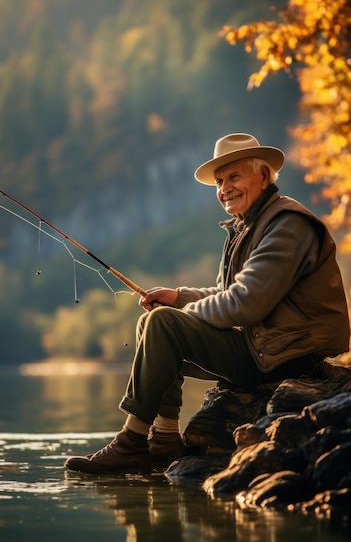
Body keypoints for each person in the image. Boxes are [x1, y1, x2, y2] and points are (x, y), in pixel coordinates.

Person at [64, 133, 350, 475]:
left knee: (163, 325)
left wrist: (178, 315)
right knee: (156, 320)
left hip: (287, 356)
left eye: (234, 177)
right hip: (263, 347)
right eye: (218, 181)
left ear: (263, 176)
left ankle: (131, 443)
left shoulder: (287, 225)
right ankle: (165, 440)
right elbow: (226, 293)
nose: (224, 188)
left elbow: (245, 305)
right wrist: (178, 297)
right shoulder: (247, 226)